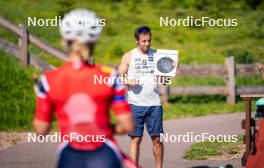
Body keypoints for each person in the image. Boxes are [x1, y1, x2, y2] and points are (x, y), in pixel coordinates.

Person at [32, 9, 136, 168]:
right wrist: (109, 128)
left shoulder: (47, 80)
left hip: (69, 156)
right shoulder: (109, 77)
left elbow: (41, 129)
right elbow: (127, 125)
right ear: (94, 42)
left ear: (64, 41)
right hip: (105, 153)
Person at [118, 26, 178, 168]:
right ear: (137, 41)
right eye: (144, 41)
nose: (147, 44)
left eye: (149, 41)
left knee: (157, 139)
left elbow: (165, 80)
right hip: (135, 104)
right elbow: (119, 76)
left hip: (154, 105)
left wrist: (174, 67)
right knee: (135, 139)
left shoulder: (157, 55)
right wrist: (127, 80)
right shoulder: (128, 56)